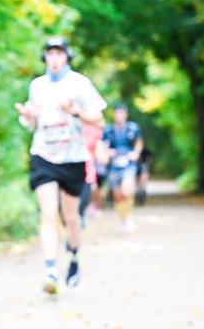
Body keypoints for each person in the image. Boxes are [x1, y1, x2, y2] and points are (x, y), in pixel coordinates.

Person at [16, 37, 106, 294]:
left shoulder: (80, 83)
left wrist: (75, 111)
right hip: (44, 155)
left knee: (71, 217)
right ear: (45, 57)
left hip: (73, 158)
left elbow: (99, 120)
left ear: (67, 57)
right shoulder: (37, 86)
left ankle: (74, 257)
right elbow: (33, 124)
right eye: (50, 54)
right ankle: (50, 270)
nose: (54, 59)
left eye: (59, 53)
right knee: (48, 213)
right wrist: (29, 117)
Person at [102, 103, 144, 232]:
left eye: (121, 113)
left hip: (128, 164)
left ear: (126, 115)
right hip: (114, 165)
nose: (119, 115)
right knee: (117, 195)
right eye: (117, 113)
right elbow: (103, 145)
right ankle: (123, 219)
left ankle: (129, 217)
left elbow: (139, 142)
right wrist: (107, 152)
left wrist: (135, 153)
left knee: (127, 191)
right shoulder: (108, 130)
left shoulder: (133, 128)